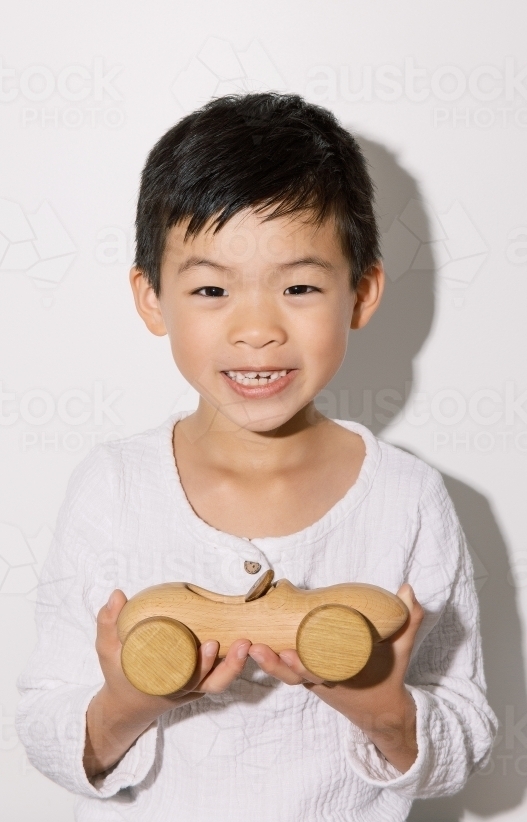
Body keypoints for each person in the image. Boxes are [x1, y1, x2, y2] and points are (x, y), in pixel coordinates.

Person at [16, 92, 497, 820]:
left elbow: (467, 733)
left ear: (360, 294)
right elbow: (43, 725)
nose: (256, 330)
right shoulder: (113, 487)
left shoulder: (407, 498)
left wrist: (385, 713)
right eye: (211, 288)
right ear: (151, 299)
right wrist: (125, 701)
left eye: (299, 287)